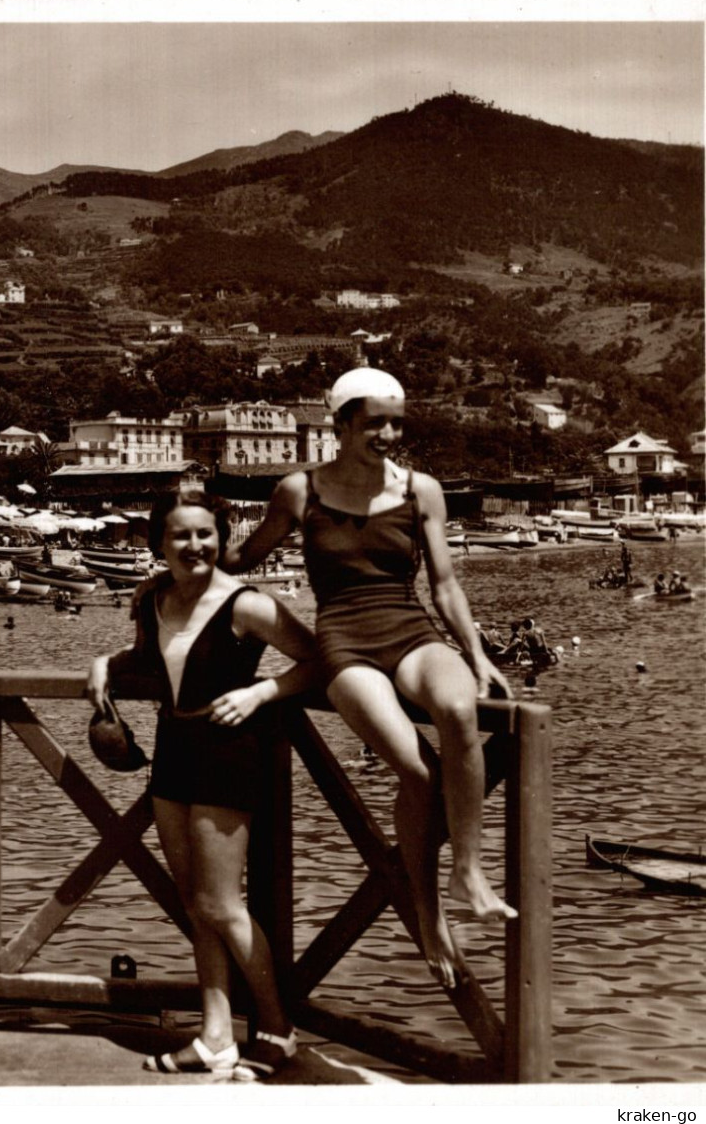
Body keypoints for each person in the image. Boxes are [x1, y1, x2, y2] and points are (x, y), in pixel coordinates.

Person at [221, 366, 516, 992]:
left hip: (410, 629)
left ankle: (468, 869)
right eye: (374, 422)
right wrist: (181, 564)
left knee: (460, 711)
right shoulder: (299, 491)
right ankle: (430, 916)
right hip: (344, 643)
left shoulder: (421, 491)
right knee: (416, 771)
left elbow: (443, 585)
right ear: (342, 424)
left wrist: (477, 652)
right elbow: (244, 559)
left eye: (396, 422)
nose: (388, 433)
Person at [87, 490, 318, 1081]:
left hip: (228, 754)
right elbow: (148, 660)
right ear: (159, 544)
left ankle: (278, 1031)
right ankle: (215, 1037)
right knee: (195, 904)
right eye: (181, 536)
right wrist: (104, 666)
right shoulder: (154, 598)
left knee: (222, 903)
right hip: (173, 751)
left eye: (206, 534)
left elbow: (320, 659)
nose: (195, 546)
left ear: (222, 538)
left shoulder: (248, 606)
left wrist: (262, 691)